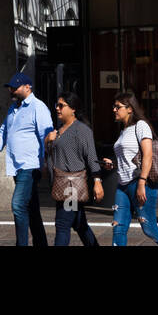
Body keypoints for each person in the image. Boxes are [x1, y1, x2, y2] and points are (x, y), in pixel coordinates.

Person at [0, 72, 53, 246]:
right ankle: (41, 243)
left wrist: (45, 162)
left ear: (28, 87)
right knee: (31, 208)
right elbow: (3, 131)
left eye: (15, 87)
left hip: (30, 166)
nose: (11, 90)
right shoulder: (14, 108)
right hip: (17, 166)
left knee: (18, 205)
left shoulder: (38, 107)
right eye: (10, 87)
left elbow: (47, 134)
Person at [102, 91, 158, 246]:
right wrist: (113, 163)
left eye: (117, 106)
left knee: (149, 229)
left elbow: (148, 155)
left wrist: (141, 183)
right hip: (123, 186)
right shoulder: (123, 131)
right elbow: (129, 157)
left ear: (130, 109)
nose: (114, 110)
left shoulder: (141, 126)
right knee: (118, 228)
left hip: (140, 183)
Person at [45, 92, 102, 246]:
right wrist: (47, 140)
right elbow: (51, 154)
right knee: (79, 224)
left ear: (73, 109)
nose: (57, 108)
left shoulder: (81, 130)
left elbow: (91, 157)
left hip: (71, 187)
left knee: (62, 224)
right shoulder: (58, 130)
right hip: (60, 184)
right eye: (56, 105)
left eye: (61, 105)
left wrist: (97, 181)